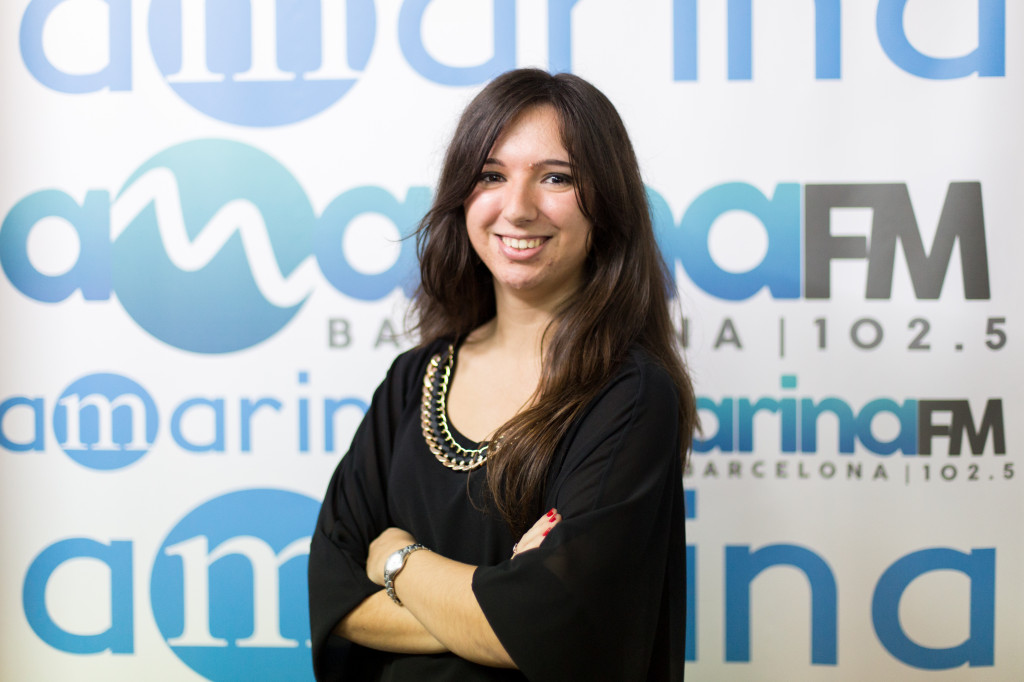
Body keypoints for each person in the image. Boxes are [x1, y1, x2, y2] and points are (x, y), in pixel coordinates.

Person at [308, 68, 697, 681]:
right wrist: (502, 598)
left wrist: (399, 560)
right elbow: (337, 600)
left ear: (606, 205)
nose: (517, 208)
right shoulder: (412, 380)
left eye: (556, 177)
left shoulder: (629, 396)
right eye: (492, 175)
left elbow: (559, 630)